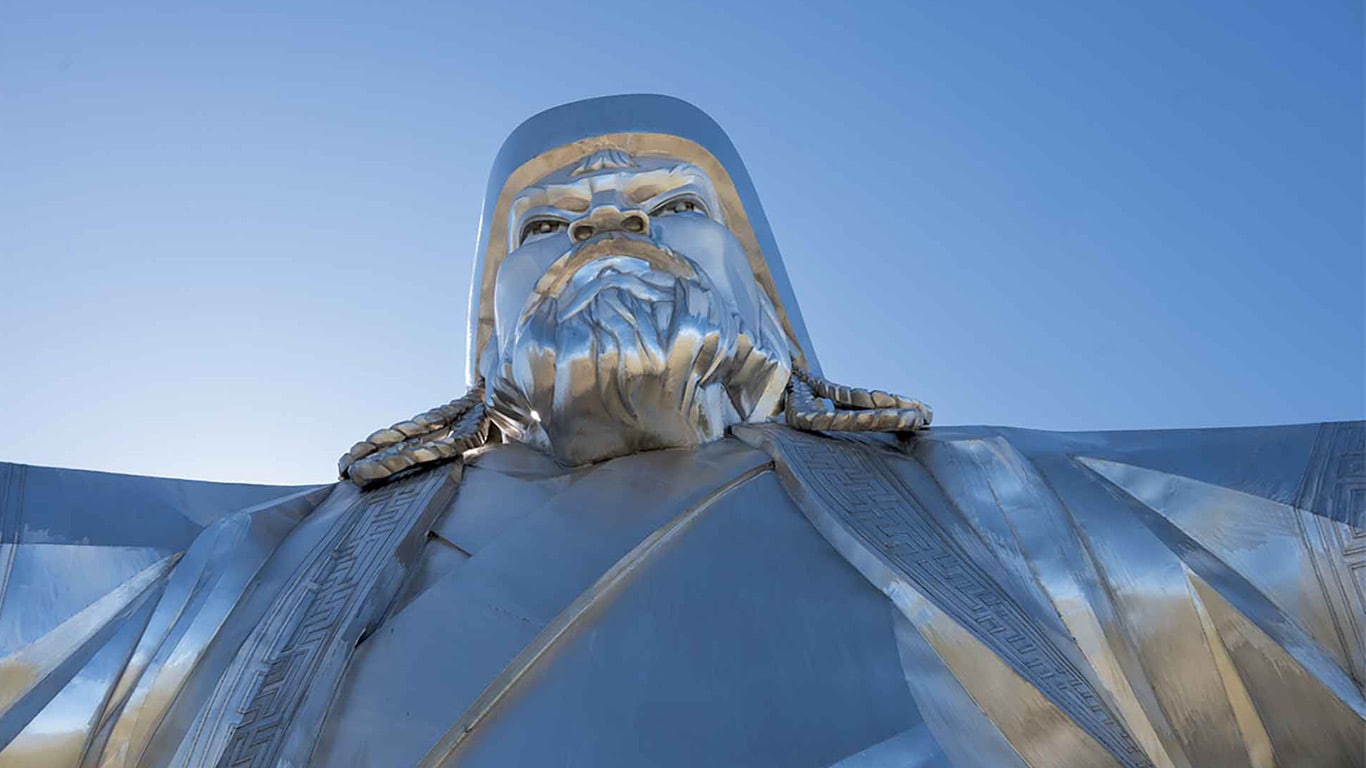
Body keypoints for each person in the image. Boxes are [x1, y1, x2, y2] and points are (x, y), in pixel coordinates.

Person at [1, 95, 1360, 768]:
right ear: (482, 321)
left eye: (664, 209)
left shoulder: (1007, 517)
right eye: (546, 226)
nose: (603, 239)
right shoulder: (271, 572)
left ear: (762, 284)